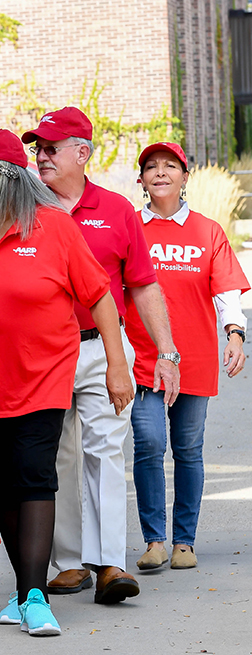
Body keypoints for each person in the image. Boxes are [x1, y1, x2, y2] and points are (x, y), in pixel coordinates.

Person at [0, 130, 131, 637]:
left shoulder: (56, 228)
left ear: (10, 178)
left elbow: (101, 298)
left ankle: (33, 596)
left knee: (35, 476)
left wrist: (116, 364)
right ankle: (26, 588)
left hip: (44, 377)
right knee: (2, 484)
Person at [21, 107, 179, 605]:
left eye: (50, 148)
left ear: (81, 153)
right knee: (58, 458)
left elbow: (144, 286)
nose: (41, 157)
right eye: (37, 149)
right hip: (42, 353)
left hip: (100, 348)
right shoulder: (25, 209)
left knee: (105, 453)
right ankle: (68, 563)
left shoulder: (116, 209)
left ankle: (109, 561)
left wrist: (167, 352)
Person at [128, 142, 249, 570]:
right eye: (151, 167)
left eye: (170, 166)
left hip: (195, 357)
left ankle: (184, 541)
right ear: (140, 179)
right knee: (148, 443)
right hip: (143, 359)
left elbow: (227, 292)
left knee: (188, 450)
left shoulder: (207, 231)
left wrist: (235, 334)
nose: (160, 172)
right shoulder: (131, 228)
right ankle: (154, 539)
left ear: (185, 176)